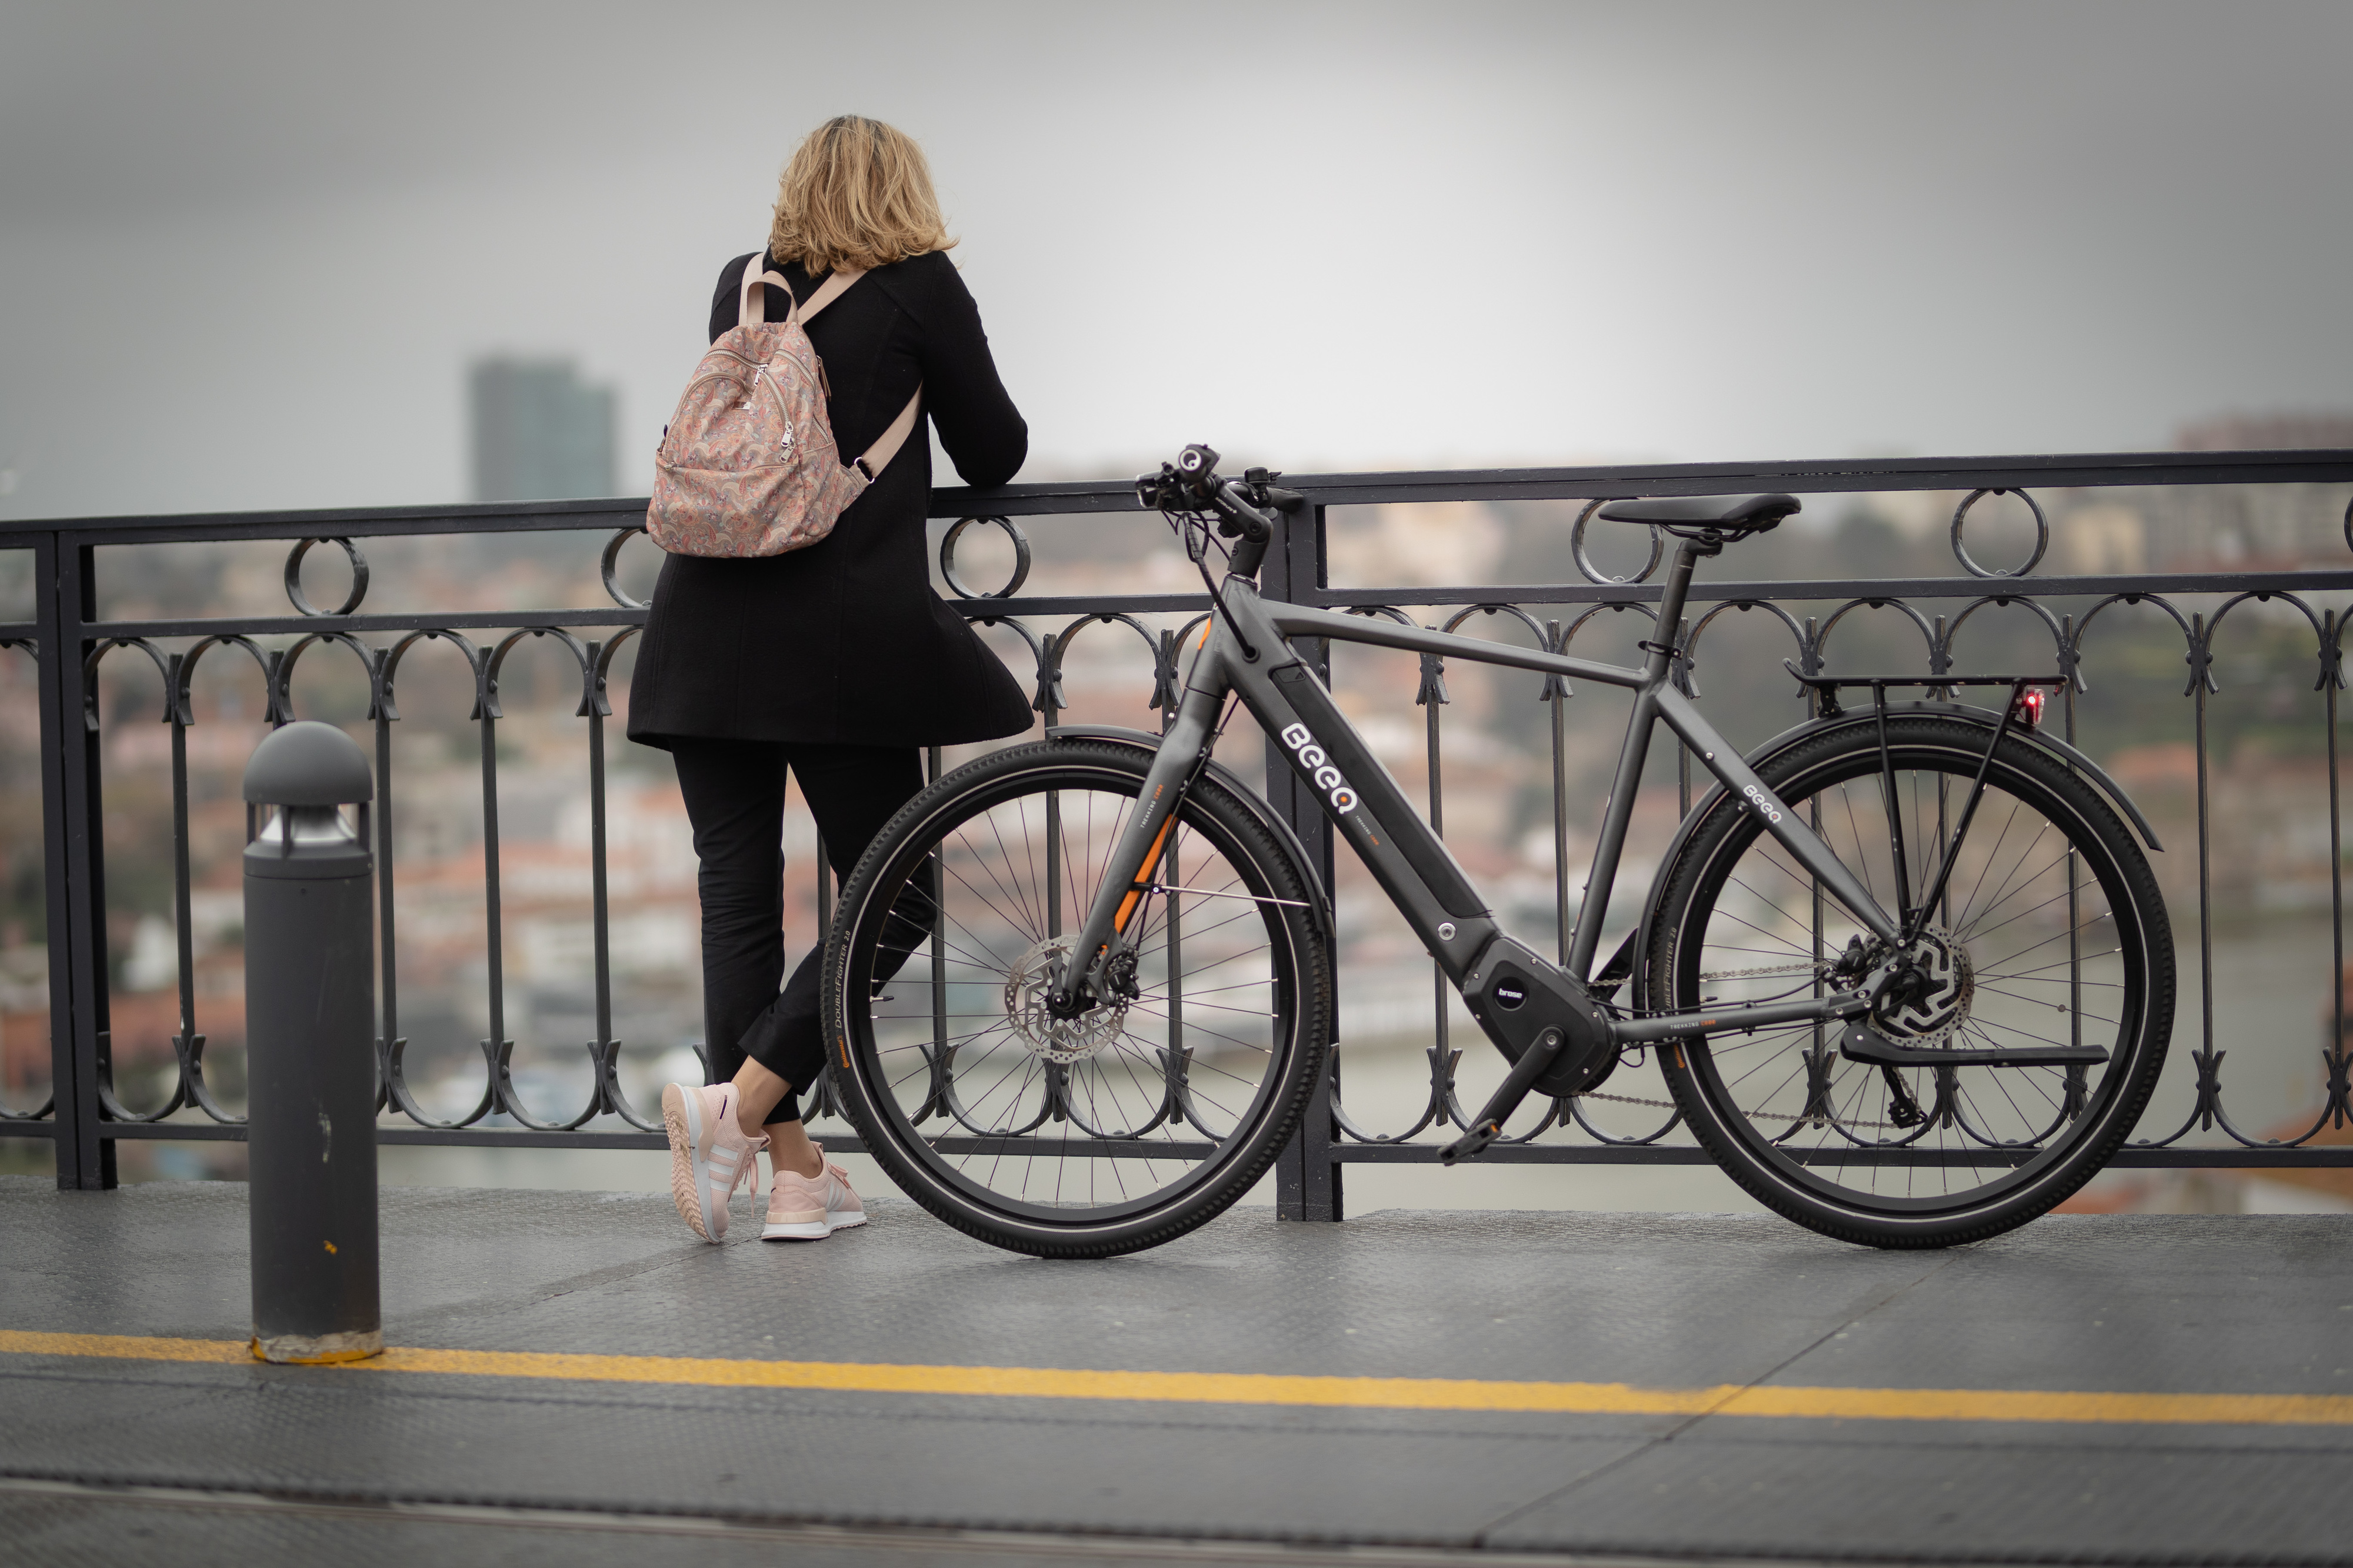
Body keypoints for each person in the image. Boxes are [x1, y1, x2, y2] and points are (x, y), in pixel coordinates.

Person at [630, 116, 1031, 1243]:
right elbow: (994, 448)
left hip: (703, 631)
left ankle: (792, 1178)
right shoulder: (920, 285)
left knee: (737, 903)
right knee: (898, 893)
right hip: (838, 646)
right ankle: (752, 1115)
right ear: (906, 189)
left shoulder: (743, 285)